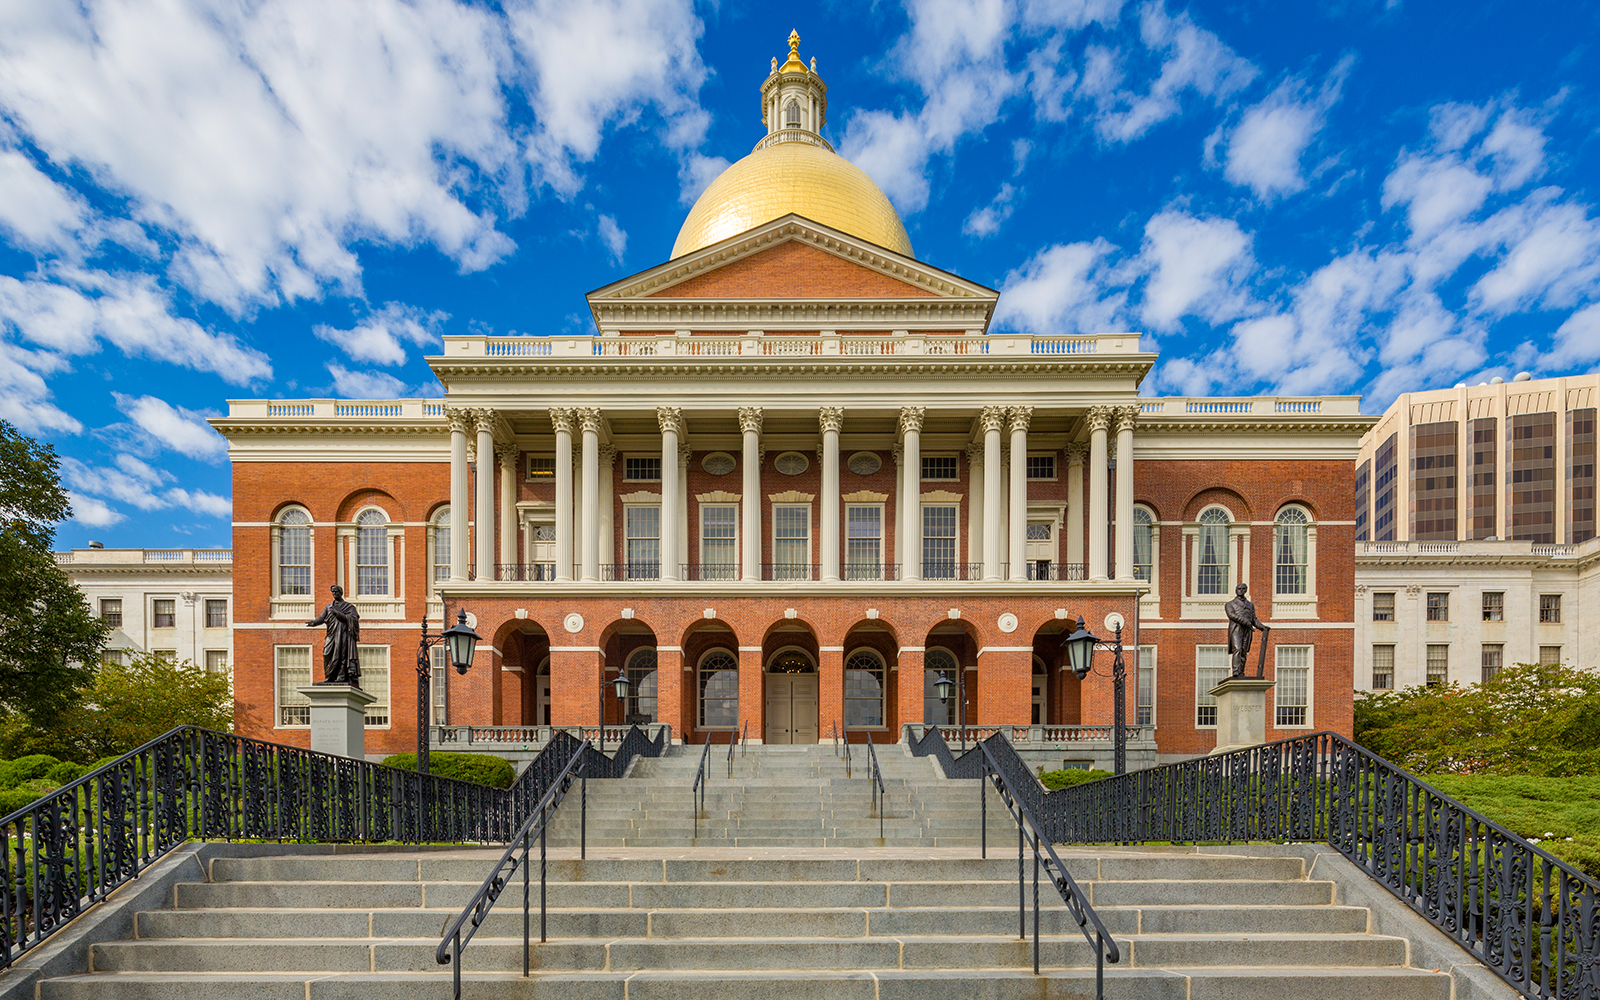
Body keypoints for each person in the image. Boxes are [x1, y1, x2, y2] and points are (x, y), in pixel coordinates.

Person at [306, 584, 362, 686]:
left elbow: (353, 619)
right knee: (327, 653)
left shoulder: (349, 607)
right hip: (331, 634)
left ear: (341, 593)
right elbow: (322, 618)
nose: (334, 593)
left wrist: (338, 614)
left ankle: (341, 676)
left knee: (341, 654)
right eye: (333, 592)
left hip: (343, 634)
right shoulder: (328, 607)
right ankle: (329, 676)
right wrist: (313, 623)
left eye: (336, 591)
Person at [1223, 583, 1269, 679]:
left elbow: (1253, 619)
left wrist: (1262, 627)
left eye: (1243, 588)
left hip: (1247, 630)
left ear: (1245, 590)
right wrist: (1244, 621)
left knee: (1244, 651)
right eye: (1239, 588)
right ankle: (1236, 671)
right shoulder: (1230, 604)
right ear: (1236, 590)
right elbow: (1231, 615)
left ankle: (1241, 672)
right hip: (1236, 629)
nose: (1240, 590)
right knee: (1238, 649)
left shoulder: (1250, 605)